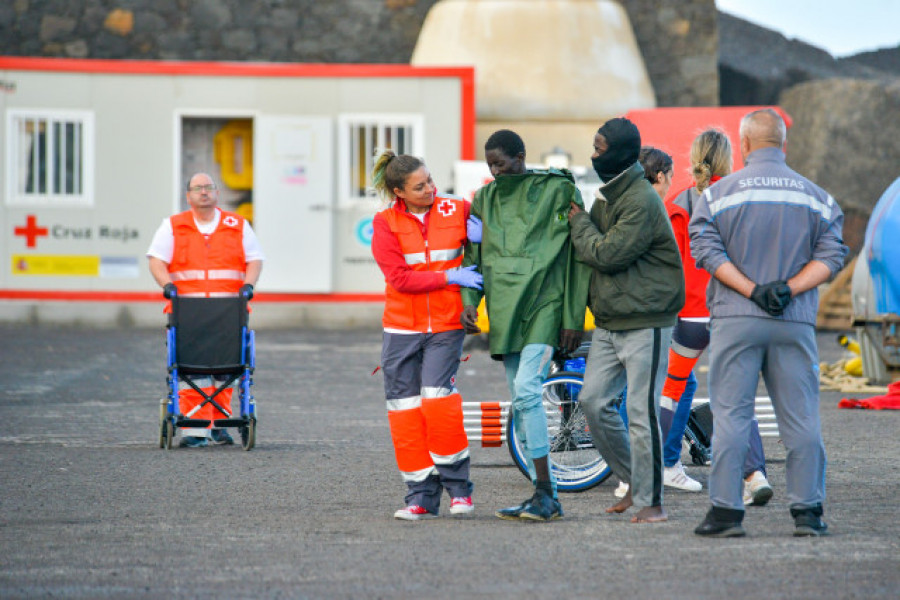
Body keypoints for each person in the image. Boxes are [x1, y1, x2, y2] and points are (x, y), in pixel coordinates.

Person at [690, 108, 848, 537]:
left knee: (732, 416)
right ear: (784, 144)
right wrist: (789, 289)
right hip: (793, 321)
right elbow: (831, 257)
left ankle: (725, 514)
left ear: (742, 145)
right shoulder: (817, 197)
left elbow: (706, 251)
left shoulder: (719, 196)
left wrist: (752, 289)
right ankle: (808, 513)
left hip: (737, 319)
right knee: (800, 419)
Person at [460, 129, 590, 522]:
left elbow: (576, 258)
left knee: (528, 392)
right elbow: (473, 254)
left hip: (544, 306)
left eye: (501, 163)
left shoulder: (558, 191)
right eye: (490, 165)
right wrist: (469, 302)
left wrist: (572, 317)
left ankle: (546, 492)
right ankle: (543, 494)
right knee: (521, 400)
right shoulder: (483, 200)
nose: (496, 171)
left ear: (521, 156)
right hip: (504, 308)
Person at [644, 138, 773, 505]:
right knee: (736, 395)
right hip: (732, 311)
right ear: (728, 159)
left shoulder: (677, 205)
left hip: (689, 314)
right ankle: (754, 474)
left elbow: (666, 262)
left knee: (670, 391)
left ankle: (657, 469)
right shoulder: (742, 197)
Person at [568, 118, 684, 524]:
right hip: (611, 319)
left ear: (619, 152)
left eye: (599, 148)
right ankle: (634, 482)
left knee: (641, 412)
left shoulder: (639, 199)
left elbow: (605, 253)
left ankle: (653, 502)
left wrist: (577, 220)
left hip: (646, 320)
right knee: (593, 402)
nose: (594, 155)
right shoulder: (609, 196)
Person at [370, 150, 481, 521]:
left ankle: (459, 490)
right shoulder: (384, 223)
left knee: (438, 400)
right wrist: (449, 277)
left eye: (431, 180)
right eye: (420, 187)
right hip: (402, 327)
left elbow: (486, 238)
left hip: (446, 325)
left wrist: (482, 234)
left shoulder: (457, 208)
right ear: (399, 191)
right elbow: (399, 278)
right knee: (404, 411)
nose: (431, 189)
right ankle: (420, 495)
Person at [147, 172, 264, 448]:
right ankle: (194, 427)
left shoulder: (238, 225)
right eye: (197, 188)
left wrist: (248, 285)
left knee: (225, 371)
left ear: (216, 194)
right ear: (188, 196)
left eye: (209, 187)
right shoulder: (173, 226)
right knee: (192, 371)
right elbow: (156, 260)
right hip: (188, 313)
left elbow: (255, 260)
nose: (203, 192)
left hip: (228, 312)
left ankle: (217, 425)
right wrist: (168, 286)